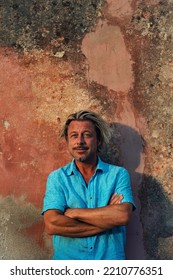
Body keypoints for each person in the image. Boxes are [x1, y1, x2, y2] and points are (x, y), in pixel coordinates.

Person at [42, 110, 136, 260]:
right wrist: (107, 218)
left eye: (87, 135)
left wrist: (74, 213)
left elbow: (122, 215)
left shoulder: (117, 175)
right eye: (74, 136)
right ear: (67, 141)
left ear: (98, 140)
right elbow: (52, 224)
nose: (80, 141)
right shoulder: (57, 178)